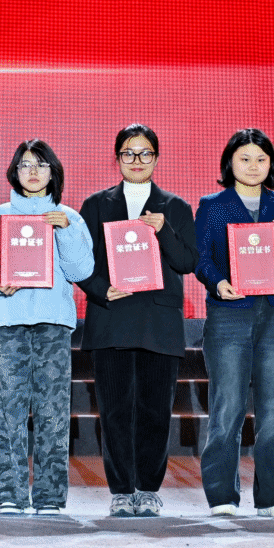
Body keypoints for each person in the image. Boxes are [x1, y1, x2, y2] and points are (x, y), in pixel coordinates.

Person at [76, 123, 198, 517]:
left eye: (145, 153)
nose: (137, 160)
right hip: (112, 317)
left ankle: (147, 489)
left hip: (158, 323)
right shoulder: (96, 205)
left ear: (156, 158)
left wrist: (164, 231)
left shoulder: (175, 207)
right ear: (118, 158)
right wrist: (100, 289)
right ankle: (120, 490)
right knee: (114, 410)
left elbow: (188, 261)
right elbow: (80, 261)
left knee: (154, 411)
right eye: (129, 153)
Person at [0, 139, 93, 515]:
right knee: (7, 411)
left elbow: (82, 271)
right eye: (25, 165)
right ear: (15, 172)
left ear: (53, 172)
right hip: (9, 324)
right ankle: (9, 493)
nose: (34, 172)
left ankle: (49, 496)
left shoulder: (68, 217)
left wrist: (66, 230)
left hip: (53, 326)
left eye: (41, 165)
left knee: (53, 413)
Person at [195, 127, 274, 517]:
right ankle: (222, 495)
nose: (254, 165)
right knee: (227, 407)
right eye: (245, 158)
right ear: (230, 162)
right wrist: (218, 282)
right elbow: (201, 258)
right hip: (229, 314)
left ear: (271, 164)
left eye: (261, 159)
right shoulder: (213, 205)